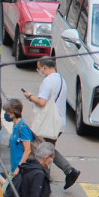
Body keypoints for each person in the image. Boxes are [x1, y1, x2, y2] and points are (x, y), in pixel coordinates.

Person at [22, 58, 80, 189]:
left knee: (44, 151)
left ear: (45, 67)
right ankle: (68, 171)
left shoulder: (48, 81)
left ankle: (46, 182)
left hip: (50, 122)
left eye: (39, 68)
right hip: (59, 122)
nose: (39, 71)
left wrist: (30, 96)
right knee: (48, 148)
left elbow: (42, 102)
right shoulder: (61, 79)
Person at [5, 99, 33, 176]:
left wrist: (18, 168)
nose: (6, 113)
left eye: (8, 111)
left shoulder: (23, 128)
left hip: (20, 171)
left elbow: (27, 150)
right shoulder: (15, 126)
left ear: (14, 112)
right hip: (14, 169)